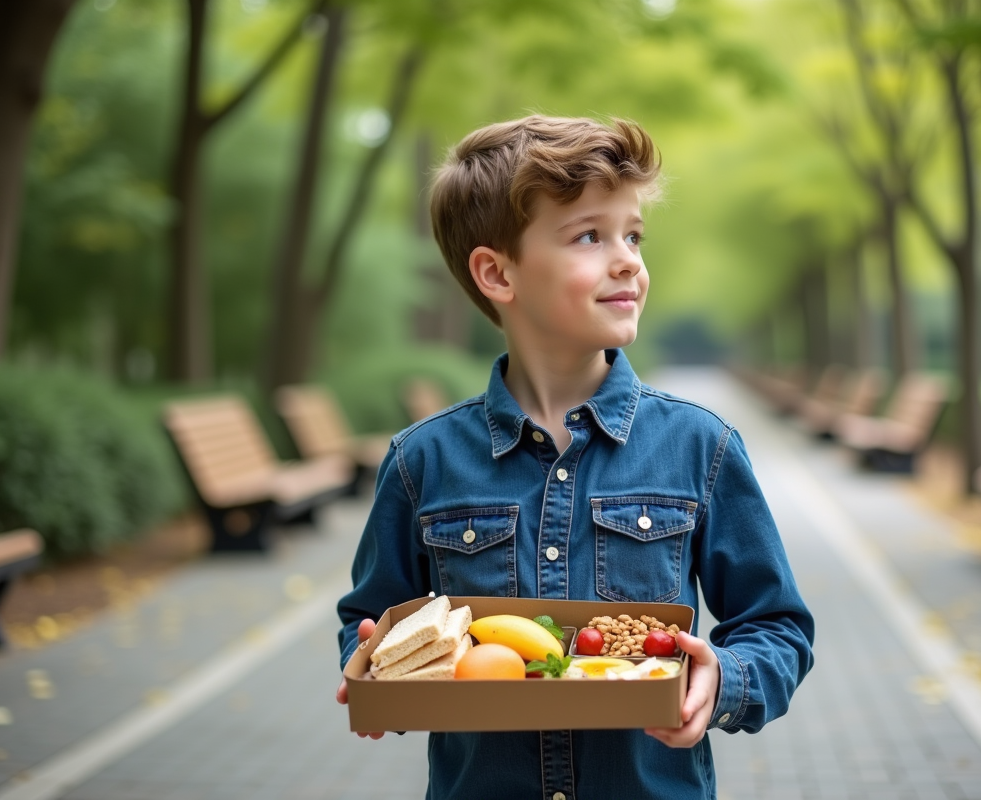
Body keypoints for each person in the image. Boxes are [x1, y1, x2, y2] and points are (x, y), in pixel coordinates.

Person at [336, 115, 814, 800]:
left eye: (634, 235)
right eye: (590, 235)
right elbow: (372, 622)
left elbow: (776, 626)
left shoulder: (700, 448)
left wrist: (725, 681)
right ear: (497, 273)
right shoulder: (423, 462)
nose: (628, 259)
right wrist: (373, 668)